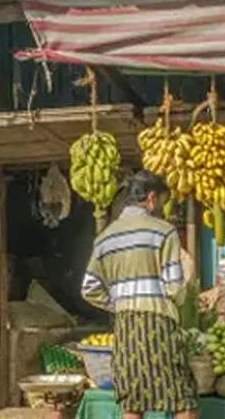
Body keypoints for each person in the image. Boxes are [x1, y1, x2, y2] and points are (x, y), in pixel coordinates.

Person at [81, 171, 197, 419]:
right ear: (152, 198)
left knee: (133, 400)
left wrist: (118, 304)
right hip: (159, 324)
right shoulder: (164, 231)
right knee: (182, 398)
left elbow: (89, 288)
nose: (164, 206)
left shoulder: (105, 238)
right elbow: (174, 286)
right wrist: (178, 300)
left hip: (125, 326)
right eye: (163, 201)